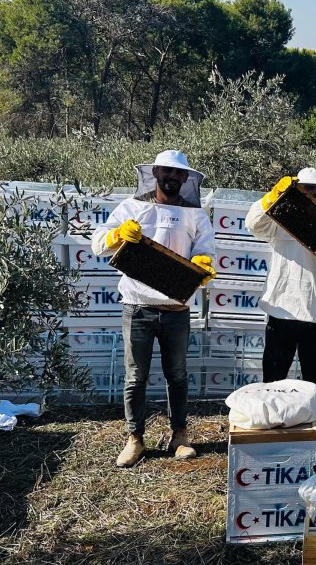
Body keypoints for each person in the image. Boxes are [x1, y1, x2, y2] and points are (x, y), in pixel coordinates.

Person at [92, 150, 217, 468]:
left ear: (186, 179)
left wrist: (202, 262)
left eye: (178, 173)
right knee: (136, 377)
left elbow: (205, 248)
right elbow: (98, 243)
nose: (172, 177)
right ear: (155, 173)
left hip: (176, 308)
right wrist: (118, 234)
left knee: (177, 375)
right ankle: (135, 439)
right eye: (166, 171)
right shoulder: (132, 207)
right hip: (137, 307)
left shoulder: (196, 215)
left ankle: (180, 436)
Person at [245, 168, 316, 389]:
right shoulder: (280, 219)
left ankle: (311, 423)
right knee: (272, 384)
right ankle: (274, 424)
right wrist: (272, 196)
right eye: (309, 187)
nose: (314, 192)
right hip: (281, 311)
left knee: (313, 386)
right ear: (298, 190)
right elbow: (253, 224)